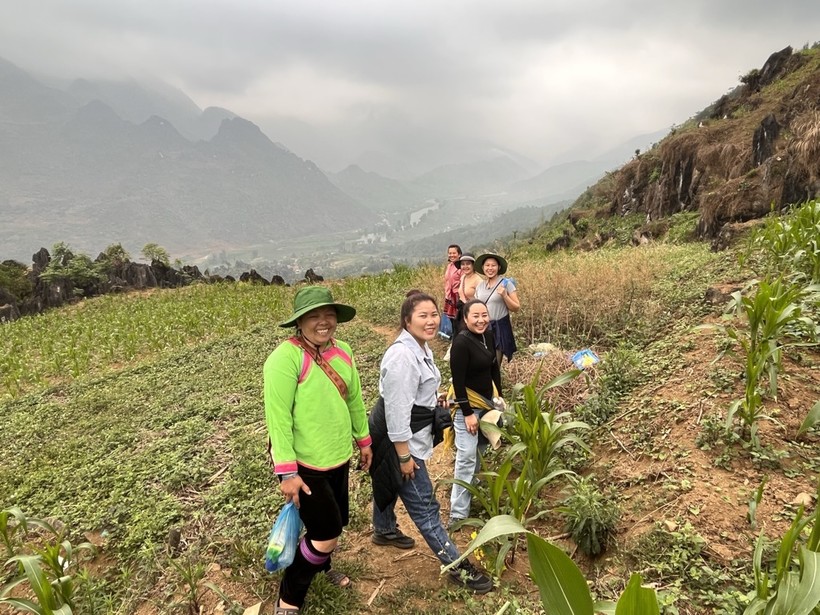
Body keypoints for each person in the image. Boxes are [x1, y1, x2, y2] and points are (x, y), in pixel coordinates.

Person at [368, 291, 494, 594]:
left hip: (403, 429)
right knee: (423, 502)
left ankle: (383, 529)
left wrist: (431, 401)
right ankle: (456, 566)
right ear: (406, 320)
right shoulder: (402, 357)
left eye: (434, 314)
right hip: (397, 436)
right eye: (422, 315)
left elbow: (413, 395)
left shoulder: (419, 348)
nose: (430, 320)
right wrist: (403, 456)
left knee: (387, 480)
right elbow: (398, 413)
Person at [264, 286, 373, 615]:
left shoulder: (344, 352)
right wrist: (287, 472)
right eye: (314, 316)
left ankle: (321, 567)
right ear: (300, 322)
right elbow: (278, 419)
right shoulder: (285, 358)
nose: (323, 322)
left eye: (329, 315)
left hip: (338, 457)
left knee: (333, 524)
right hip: (306, 466)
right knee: (327, 532)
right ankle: (288, 598)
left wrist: (364, 440)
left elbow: (353, 398)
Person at [448, 299, 502, 527]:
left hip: (487, 403)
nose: (481, 320)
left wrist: (499, 396)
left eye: (484, 315)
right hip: (467, 406)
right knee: (466, 456)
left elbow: (493, 368)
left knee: (480, 449)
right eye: (475, 316)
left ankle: (472, 492)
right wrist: (468, 413)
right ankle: (458, 514)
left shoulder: (488, 336)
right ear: (466, 318)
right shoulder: (461, 343)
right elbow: (458, 382)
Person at [474, 253, 520, 364]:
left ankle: (496, 381)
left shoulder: (506, 284)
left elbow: (516, 307)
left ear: (498, 267)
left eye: (493, 265)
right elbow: (475, 307)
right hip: (483, 328)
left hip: (499, 328)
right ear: (483, 267)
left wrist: (505, 296)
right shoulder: (480, 286)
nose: (490, 268)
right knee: (483, 361)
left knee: (495, 363)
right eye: (487, 265)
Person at [443, 244, 463, 333]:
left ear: (459, 254)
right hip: (449, 297)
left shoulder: (462, 267)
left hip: (458, 297)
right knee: (453, 321)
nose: (451, 255)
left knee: (459, 321)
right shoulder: (449, 266)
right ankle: (455, 339)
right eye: (450, 253)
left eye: (454, 253)